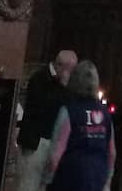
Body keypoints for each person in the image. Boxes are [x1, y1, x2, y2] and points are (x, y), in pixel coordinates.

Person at [44, 60, 116, 191]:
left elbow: (56, 152)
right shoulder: (105, 114)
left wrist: (47, 180)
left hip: (70, 177)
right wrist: (108, 181)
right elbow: (111, 152)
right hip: (97, 177)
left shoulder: (69, 111)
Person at [16, 49, 77, 191]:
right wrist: (63, 87)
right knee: (28, 184)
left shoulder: (62, 84)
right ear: (61, 66)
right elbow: (44, 108)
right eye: (72, 70)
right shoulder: (39, 78)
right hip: (35, 143)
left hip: (51, 141)